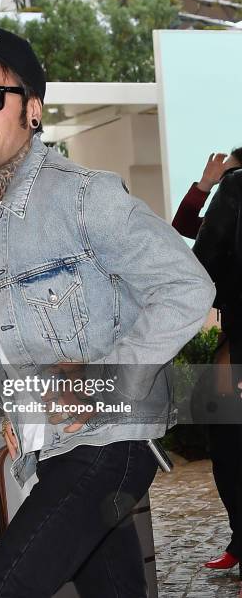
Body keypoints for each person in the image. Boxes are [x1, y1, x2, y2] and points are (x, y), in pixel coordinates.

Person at [0, 25, 215, 597]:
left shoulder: (81, 195)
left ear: (32, 110)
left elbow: (187, 286)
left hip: (105, 444)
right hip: (51, 449)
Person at [173, 150, 242, 572]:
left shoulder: (236, 188)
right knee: (227, 445)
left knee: (230, 448)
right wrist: (204, 185)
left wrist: (215, 184)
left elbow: (200, 262)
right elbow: (188, 230)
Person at [172, 149, 242, 239]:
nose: (225, 183)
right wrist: (206, 182)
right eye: (224, 177)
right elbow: (183, 226)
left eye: (230, 175)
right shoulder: (227, 222)